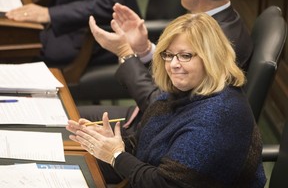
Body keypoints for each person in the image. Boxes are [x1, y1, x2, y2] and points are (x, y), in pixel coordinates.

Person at [67, 13, 266, 187]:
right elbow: (144, 145)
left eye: (185, 56)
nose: (173, 65)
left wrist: (117, 156)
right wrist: (109, 143)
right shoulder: (181, 93)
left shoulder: (218, 118)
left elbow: (164, 183)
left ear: (211, 57)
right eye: (169, 55)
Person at [78, 0, 254, 133]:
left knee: (67, 127)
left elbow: (160, 105)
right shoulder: (212, 20)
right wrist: (144, 48)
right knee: (66, 116)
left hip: (165, 135)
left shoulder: (220, 43)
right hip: (147, 119)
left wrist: (125, 52)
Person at [6, 0, 125, 67]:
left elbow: (109, 3)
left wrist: (49, 13)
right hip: (61, 24)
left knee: (9, 43)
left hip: (83, 36)